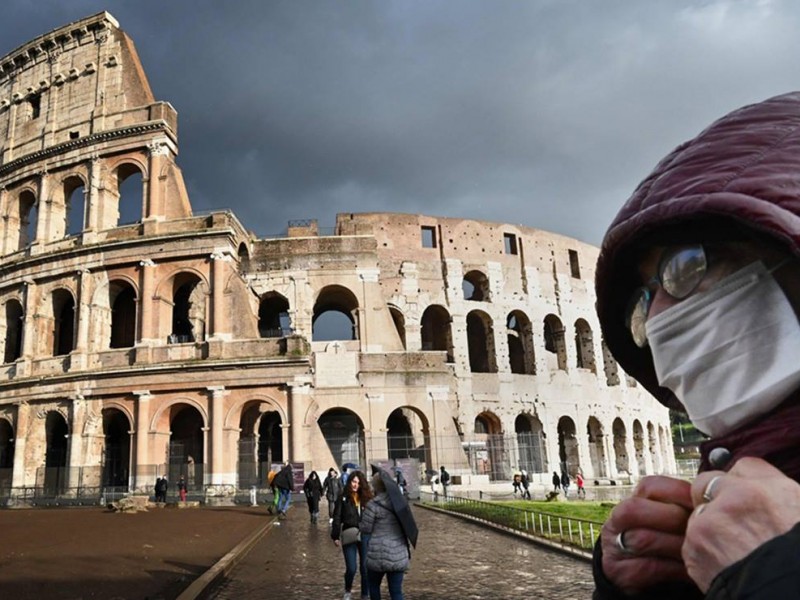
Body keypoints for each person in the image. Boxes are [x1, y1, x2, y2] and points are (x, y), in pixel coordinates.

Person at [592, 91, 800, 599]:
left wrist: (775, 573)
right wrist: (636, 590)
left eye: (686, 264)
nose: (659, 317)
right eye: (641, 302)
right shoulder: (712, 513)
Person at [360, 471, 411, 600]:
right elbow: (408, 524)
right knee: (396, 592)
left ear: (375, 487)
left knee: (374, 587)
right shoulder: (400, 503)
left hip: (377, 553)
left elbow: (365, 529)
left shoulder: (372, 505)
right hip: (398, 553)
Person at [332, 469, 372, 600]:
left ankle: (365, 594)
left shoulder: (366, 498)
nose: (356, 485)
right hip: (349, 534)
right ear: (350, 482)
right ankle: (348, 589)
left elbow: (372, 517)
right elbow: (337, 517)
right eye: (354, 482)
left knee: (365, 567)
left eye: (358, 483)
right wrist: (335, 535)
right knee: (351, 568)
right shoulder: (343, 497)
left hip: (365, 535)